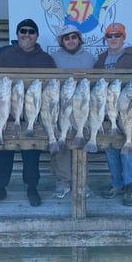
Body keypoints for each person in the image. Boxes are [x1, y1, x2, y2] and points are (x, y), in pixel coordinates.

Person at [0, 18, 56, 209]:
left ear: (37, 35)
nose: (26, 34)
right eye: (22, 31)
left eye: (31, 31)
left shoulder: (46, 59)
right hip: (5, 114)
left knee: (32, 154)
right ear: (17, 34)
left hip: (33, 115)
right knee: (2, 153)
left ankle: (32, 188)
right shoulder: (2, 54)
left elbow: (52, 88)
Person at [94, 22, 132, 206]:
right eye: (109, 36)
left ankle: (130, 186)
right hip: (108, 111)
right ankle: (116, 184)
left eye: (117, 35)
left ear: (123, 37)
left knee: (128, 150)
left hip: (129, 110)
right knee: (111, 148)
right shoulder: (102, 58)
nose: (113, 39)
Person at [50, 24, 96, 198]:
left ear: (79, 39)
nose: (70, 41)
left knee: (82, 142)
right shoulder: (52, 58)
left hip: (83, 107)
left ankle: (83, 182)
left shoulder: (91, 58)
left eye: (73, 37)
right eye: (66, 38)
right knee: (61, 145)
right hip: (60, 107)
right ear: (62, 41)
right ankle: (63, 182)